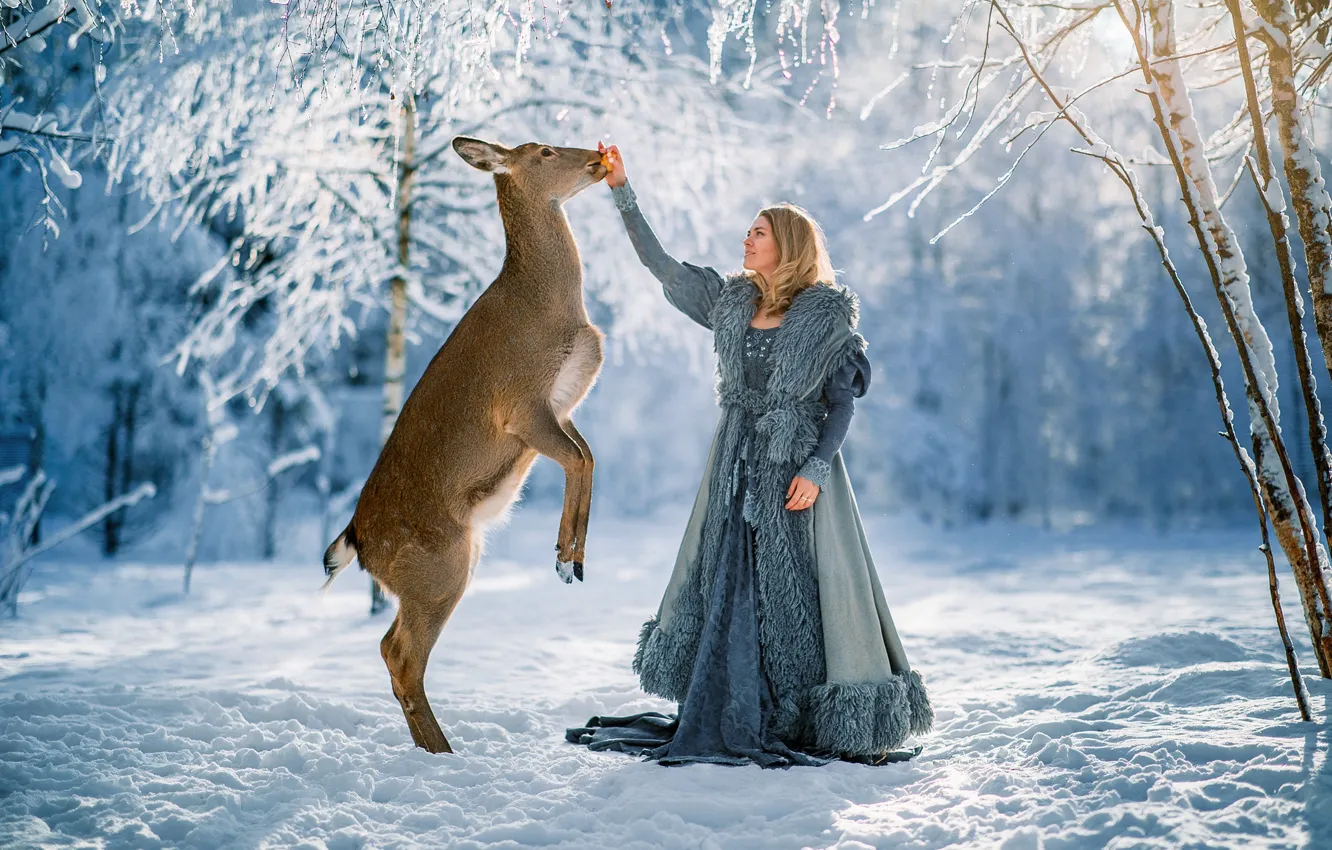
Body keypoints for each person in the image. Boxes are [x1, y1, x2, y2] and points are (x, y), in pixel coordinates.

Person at [565, 142, 933, 767]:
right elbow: (662, 266)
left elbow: (841, 406)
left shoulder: (825, 322)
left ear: (786, 245)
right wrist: (622, 191)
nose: (746, 239)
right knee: (724, 575)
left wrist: (815, 470)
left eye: (757, 233)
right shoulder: (730, 304)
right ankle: (734, 701)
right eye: (747, 231)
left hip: (797, 468)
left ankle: (799, 711)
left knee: (802, 587)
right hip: (734, 460)